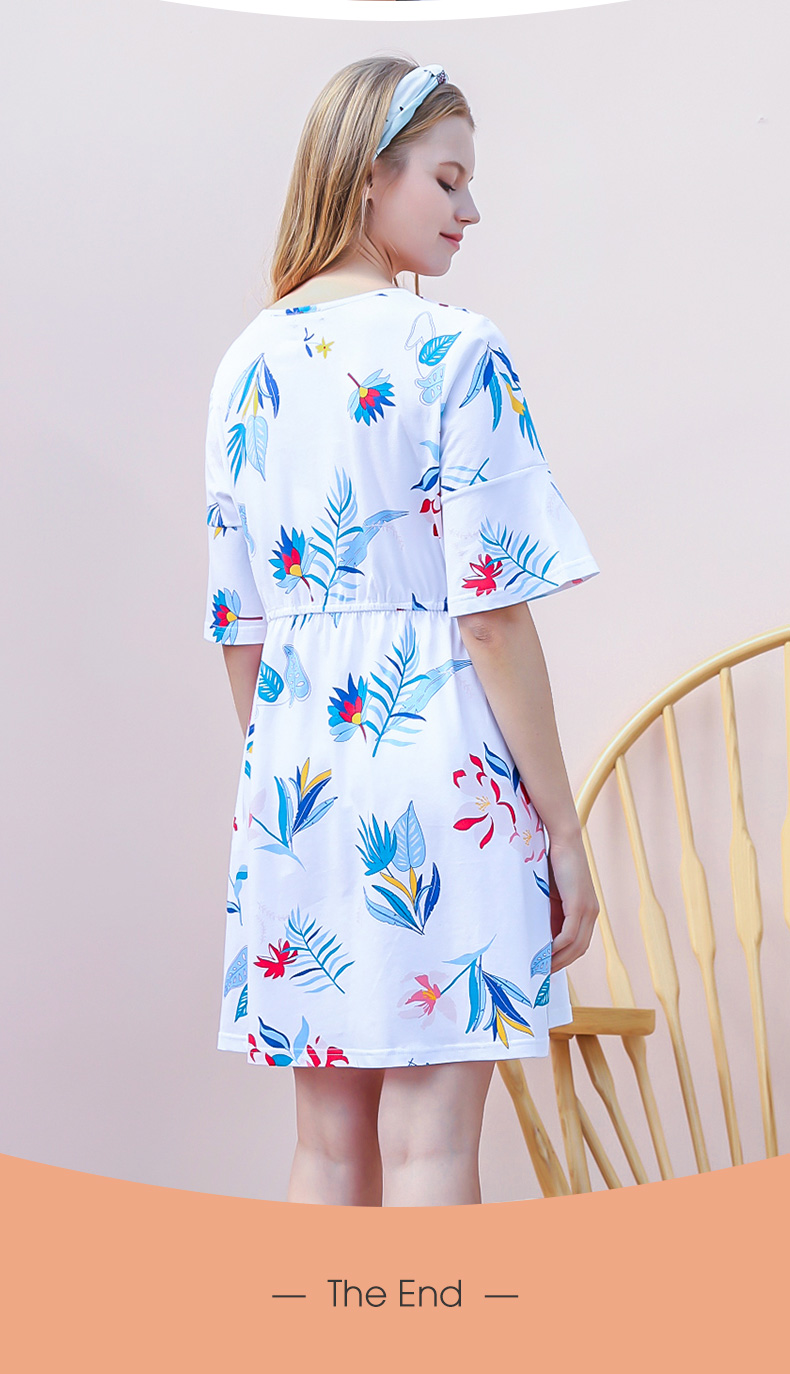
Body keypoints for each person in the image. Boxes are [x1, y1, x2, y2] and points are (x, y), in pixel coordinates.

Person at [203, 56, 601, 1208]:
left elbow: (238, 624)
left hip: (295, 780)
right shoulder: (455, 350)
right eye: (448, 179)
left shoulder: (244, 363)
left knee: (326, 1150)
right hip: (439, 776)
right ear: (369, 174)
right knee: (433, 1149)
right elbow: (492, 616)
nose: (471, 211)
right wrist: (561, 829)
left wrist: (287, 783)